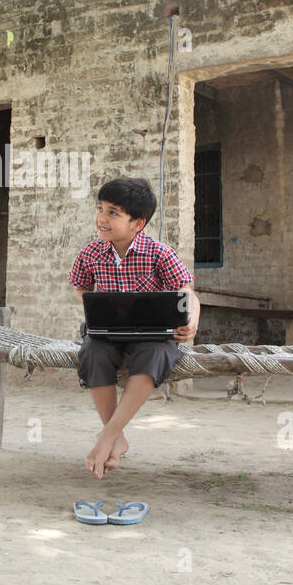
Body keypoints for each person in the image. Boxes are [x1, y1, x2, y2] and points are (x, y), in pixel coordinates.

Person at [68, 177, 200, 478]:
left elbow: (188, 292)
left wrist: (191, 322)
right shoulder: (90, 253)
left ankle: (107, 436)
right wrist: (93, 303)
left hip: (151, 334)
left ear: (137, 223)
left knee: (155, 355)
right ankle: (116, 437)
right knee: (92, 353)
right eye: (100, 208)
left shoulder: (160, 253)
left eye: (113, 212)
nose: (101, 218)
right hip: (107, 332)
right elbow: (81, 287)